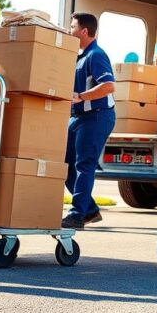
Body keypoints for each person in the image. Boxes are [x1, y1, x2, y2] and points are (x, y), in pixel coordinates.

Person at [62, 13, 117, 230]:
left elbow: (109, 86)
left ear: (84, 31)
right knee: (64, 165)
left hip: (97, 117)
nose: (69, 30)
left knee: (84, 165)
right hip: (78, 118)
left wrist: (81, 96)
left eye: (72, 27)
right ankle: (90, 210)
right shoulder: (80, 56)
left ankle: (77, 215)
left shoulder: (96, 55)